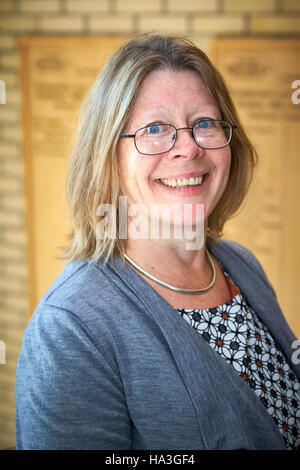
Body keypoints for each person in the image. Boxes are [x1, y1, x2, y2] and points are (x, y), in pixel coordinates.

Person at [15, 33, 300, 450]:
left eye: (204, 122)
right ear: (107, 156)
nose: (187, 147)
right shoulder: (70, 327)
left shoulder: (241, 265)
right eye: (155, 129)